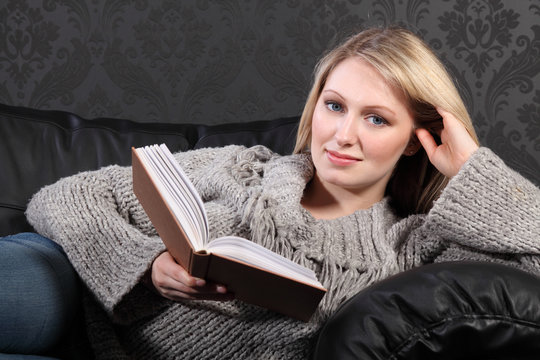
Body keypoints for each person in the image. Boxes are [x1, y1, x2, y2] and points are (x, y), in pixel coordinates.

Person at [9, 26, 540, 359]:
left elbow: (528, 286)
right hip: (72, 290)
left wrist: (474, 170)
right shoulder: (243, 167)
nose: (343, 134)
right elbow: (64, 197)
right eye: (334, 106)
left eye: (376, 118)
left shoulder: (414, 246)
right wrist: (143, 268)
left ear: (413, 141)